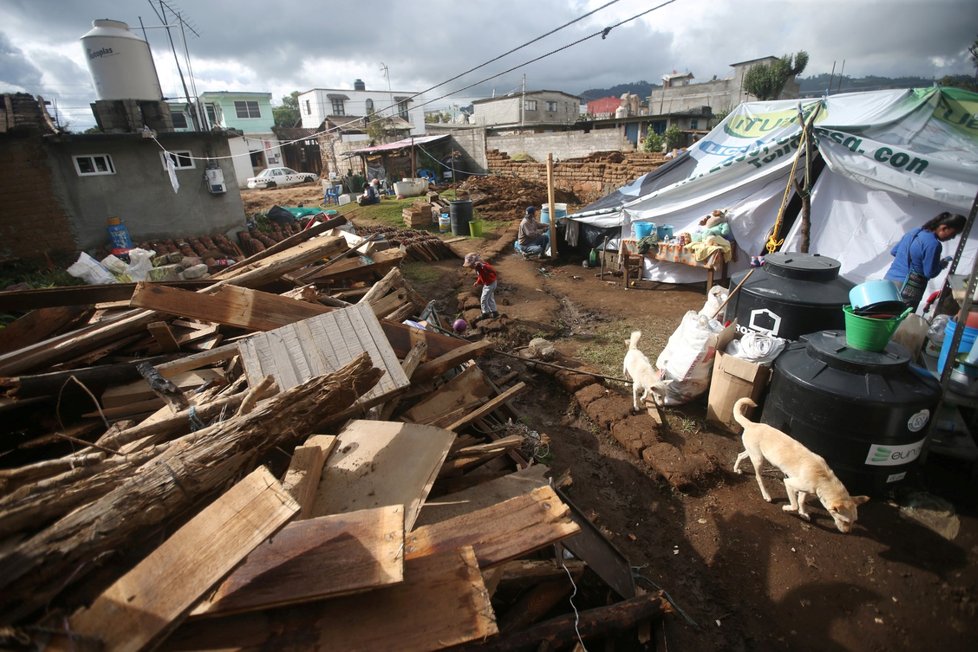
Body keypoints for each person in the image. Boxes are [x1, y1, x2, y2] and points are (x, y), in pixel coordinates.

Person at [884, 211, 966, 310]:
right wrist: (941, 265)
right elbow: (930, 273)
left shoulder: (914, 231)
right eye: (953, 234)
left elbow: (894, 251)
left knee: (879, 314)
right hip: (907, 289)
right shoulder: (933, 244)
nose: (952, 238)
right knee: (899, 320)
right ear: (944, 228)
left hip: (888, 281)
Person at [463, 252, 498, 319]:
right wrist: (477, 282)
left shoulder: (483, 266)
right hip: (487, 284)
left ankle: (485, 313)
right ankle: (494, 312)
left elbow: (492, 270)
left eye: (471, 265)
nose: (470, 267)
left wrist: (483, 265)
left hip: (491, 284)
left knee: (483, 299)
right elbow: (480, 276)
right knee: (490, 298)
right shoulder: (477, 268)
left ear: (475, 263)